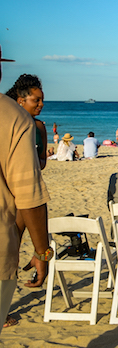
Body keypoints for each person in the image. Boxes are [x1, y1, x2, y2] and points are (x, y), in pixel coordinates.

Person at [0, 46, 51, 335]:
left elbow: (41, 163)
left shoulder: (36, 126)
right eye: (36, 99)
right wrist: (43, 252)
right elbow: (30, 193)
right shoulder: (15, 119)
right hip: (17, 198)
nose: (40, 104)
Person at [5, 73, 47, 169]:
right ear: (21, 101)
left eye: (42, 100)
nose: (41, 104)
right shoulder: (7, 124)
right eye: (37, 100)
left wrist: (30, 160)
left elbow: (43, 161)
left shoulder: (39, 126)